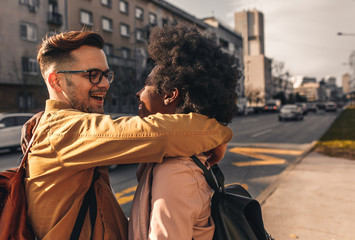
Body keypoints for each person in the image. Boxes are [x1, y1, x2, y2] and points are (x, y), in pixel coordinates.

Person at [22, 30, 233, 239]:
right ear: (56, 81)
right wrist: (220, 133)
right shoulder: (63, 131)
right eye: (93, 75)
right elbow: (158, 134)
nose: (105, 84)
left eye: (106, 75)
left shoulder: (58, 128)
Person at [129, 24, 240, 240]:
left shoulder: (175, 171)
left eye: (146, 85)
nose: (138, 93)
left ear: (170, 94)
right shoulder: (175, 157)